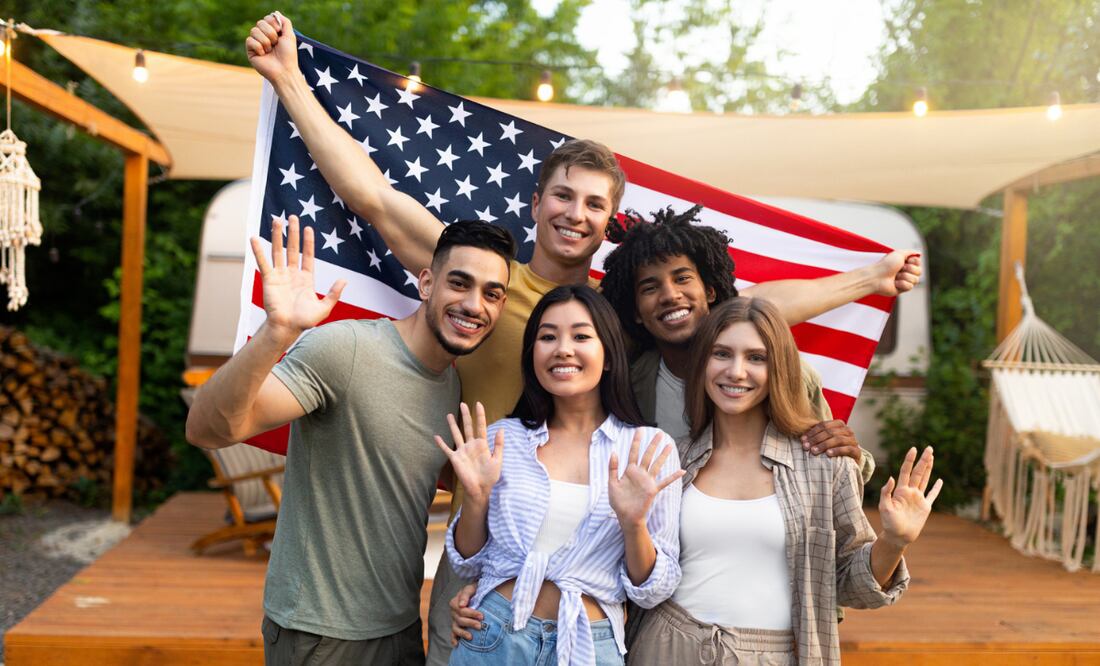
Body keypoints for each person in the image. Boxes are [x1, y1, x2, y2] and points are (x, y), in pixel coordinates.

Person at [244, 15, 924, 662]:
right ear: (537, 202)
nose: (576, 214)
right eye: (563, 197)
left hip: (582, 571)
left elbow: (749, 309)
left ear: (608, 222)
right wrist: (290, 81)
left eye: (594, 204)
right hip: (480, 546)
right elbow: (373, 199)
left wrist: (869, 277)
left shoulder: (608, 317)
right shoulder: (482, 280)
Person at [185, 216, 514, 666]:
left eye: (492, 293)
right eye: (460, 283)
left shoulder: (452, 388)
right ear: (426, 283)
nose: (474, 304)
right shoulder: (347, 349)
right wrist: (275, 333)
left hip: (399, 628)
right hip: (319, 633)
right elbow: (207, 429)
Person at [625, 297, 941, 665]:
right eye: (722, 354)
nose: (736, 371)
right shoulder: (670, 458)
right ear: (702, 364)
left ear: (780, 368)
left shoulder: (826, 465)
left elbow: (850, 586)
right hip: (666, 646)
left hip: (775, 654)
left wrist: (894, 540)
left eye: (756, 358)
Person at [437, 285, 683, 665]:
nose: (562, 349)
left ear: (609, 355)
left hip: (589, 643)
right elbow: (467, 563)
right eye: (547, 337)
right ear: (532, 354)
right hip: (492, 633)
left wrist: (633, 523)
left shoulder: (648, 448)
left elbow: (652, 590)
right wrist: (476, 497)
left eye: (581, 336)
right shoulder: (504, 439)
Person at [600, 204, 921, 450]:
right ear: (637, 312)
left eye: (682, 278)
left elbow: (839, 467)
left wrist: (846, 451)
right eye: (650, 288)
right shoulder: (626, 381)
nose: (670, 295)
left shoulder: (781, 371)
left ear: (711, 292)